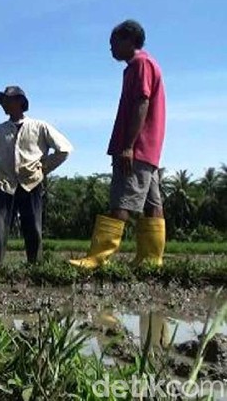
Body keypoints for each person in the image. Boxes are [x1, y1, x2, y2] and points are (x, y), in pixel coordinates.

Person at [70, 20, 166, 270]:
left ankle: (98, 257)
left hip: (137, 147)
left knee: (121, 200)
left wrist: (128, 146)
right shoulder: (145, 63)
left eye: (114, 43)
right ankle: (150, 261)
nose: (111, 49)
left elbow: (141, 103)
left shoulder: (140, 64)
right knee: (152, 204)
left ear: (129, 40)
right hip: (149, 149)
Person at [0, 86, 72, 265]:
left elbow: (64, 149)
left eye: (7, 101)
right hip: (4, 184)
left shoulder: (39, 127)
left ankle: (35, 266)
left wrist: (43, 168)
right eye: (3, 102)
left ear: (19, 102)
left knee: (33, 228)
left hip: (31, 184)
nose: (4, 105)